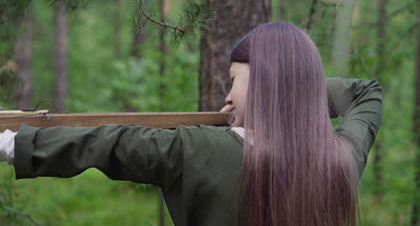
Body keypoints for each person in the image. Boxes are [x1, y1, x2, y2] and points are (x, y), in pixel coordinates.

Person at [0, 21, 383, 226]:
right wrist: (297, 87)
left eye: (234, 80)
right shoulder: (342, 159)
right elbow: (366, 92)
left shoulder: (197, 150)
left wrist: (11, 143)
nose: (227, 98)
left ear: (266, 82)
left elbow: (108, 142)